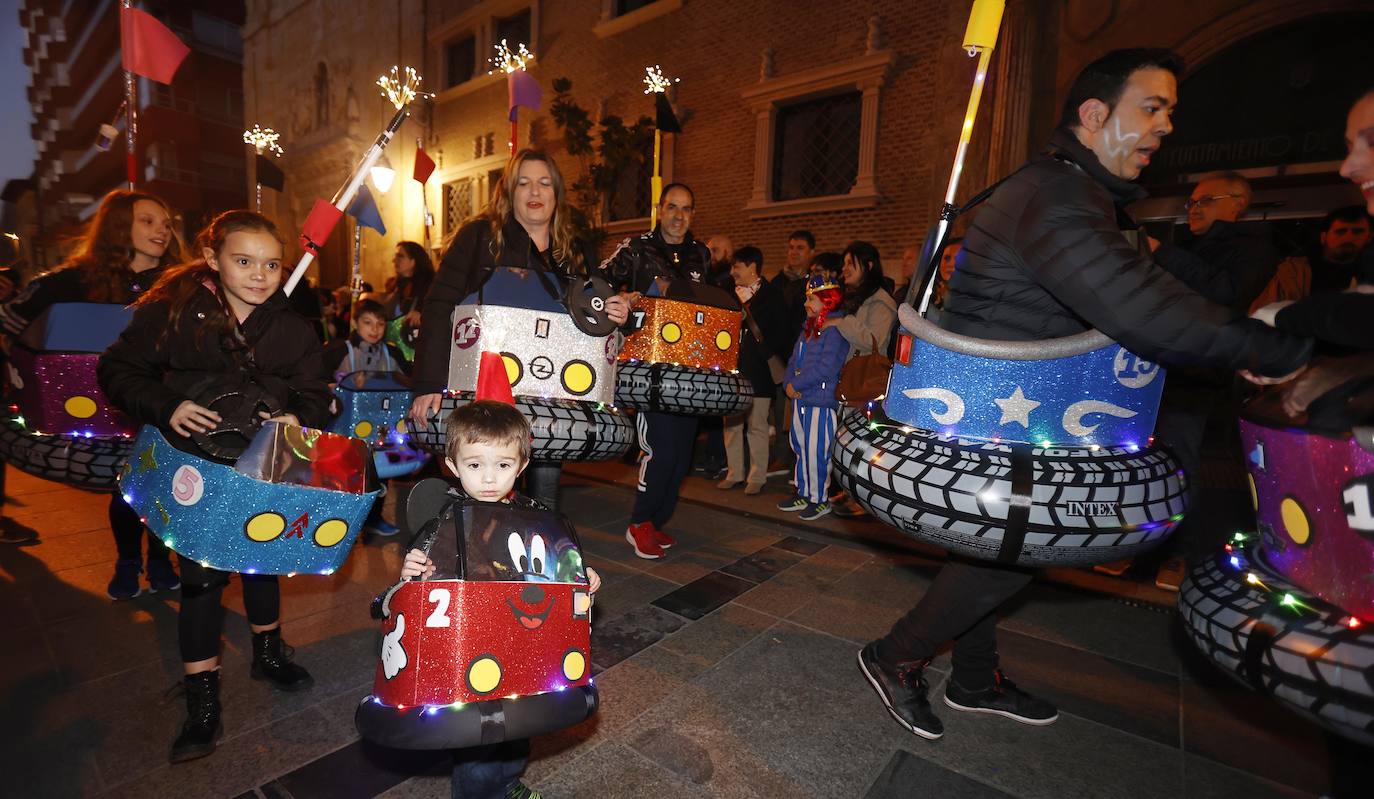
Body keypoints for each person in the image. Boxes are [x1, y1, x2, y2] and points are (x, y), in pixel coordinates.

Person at [858, 48, 1313, 742]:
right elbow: (1145, 307)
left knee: (994, 553)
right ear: (1095, 115)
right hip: (997, 410)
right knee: (1014, 551)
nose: (1164, 127)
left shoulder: (1070, 193)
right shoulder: (1055, 198)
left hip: (1032, 409)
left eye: (1170, 112)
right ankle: (894, 655)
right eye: (1151, 108)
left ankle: (974, 677)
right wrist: (1271, 351)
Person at [98, 210, 327, 763]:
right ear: (212, 258)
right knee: (201, 581)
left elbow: (317, 391)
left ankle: (268, 653)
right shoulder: (170, 314)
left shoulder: (292, 325)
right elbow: (118, 370)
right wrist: (167, 404)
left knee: (265, 559)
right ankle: (202, 701)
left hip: (265, 466)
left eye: (271, 264)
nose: (259, 275)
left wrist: (298, 414)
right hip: (195, 467)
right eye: (244, 261)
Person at [398, 399, 601, 799]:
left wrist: (582, 578)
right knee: (480, 742)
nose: (489, 478)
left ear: (521, 466)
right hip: (469, 646)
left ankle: (507, 783)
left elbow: (556, 565)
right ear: (453, 465)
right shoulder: (443, 520)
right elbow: (410, 599)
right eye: (475, 465)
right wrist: (410, 577)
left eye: (503, 465)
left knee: (520, 728)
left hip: (520, 642)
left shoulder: (531, 515)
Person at [409, 150, 629, 512]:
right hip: (487, 384)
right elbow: (439, 306)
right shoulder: (480, 238)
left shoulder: (575, 251)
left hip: (552, 392)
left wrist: (616, 312)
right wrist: (428, 384)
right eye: (524, 183)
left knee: (545, 490)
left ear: (556, 193)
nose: (534, 192)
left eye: (544, 183)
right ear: (509, 192)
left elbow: (595, 314)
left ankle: (537, 553)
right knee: (488, 479)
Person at [0, 191, 184, 601]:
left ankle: (158, 561)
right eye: (148, 221)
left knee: (163, 489)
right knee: (125, 490)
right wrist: (24, 372)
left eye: (166, 223)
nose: (162, 231)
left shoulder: (183, 282)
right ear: (120, 226)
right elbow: (12, 319)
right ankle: (127, 562)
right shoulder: (75, 279)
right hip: (107, 412)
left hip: (165, 406)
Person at [600, 183, 710, 559]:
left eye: (687, 209)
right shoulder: (636, 248)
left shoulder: (701, 254)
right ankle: (639, 523)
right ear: (660, 210)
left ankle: (657, 522)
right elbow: (598, 281)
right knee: (659, 450)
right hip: (650, 369)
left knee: (681, 455)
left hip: (690, 369)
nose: (679, 216)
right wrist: (624, 297)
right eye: (673, 208)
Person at [324, 298, 412, 537]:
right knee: (344, 475)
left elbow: (410, 381)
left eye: (380, 324)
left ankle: (374, 518)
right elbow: (312, 380)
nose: (374, 330)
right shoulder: (338, 350)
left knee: (380, 473)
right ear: (354, 323)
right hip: (344, 427)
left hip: (382, 427)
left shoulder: (391, 352)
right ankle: (341, 521)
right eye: (367, 323)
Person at [716, 246, 790, 495]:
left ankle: (757, 476)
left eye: (737, 266)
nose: (732, 271)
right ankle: (734, 472)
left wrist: (760, 349)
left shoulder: (772, 296)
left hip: (759, 371)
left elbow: (782, 334)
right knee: (732, 425)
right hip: (731, 372)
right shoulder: (725, 294)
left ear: (752, 267)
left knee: (757, 425)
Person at [776, 277, 850, 520]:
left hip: (820, 400)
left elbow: (827, 368)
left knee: (817, 450)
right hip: (801, 399)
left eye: (811, 299)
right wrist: (788, 384)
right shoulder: (807, 329)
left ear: (826, 301)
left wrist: (796, 384)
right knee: (800, 447)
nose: (806, 303)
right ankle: (804, 491)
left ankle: (819, 498)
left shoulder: (834, 331)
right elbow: (792, 360)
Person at [767, 230, 815, 475]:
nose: (794, 252)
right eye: (791, 247)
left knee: (799, 408)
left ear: (811, 253)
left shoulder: (813, 283)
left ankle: (801, 458)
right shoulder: (778, 282)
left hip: (804, 354)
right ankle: (782, 456)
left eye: (800, 248)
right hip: (780, 354)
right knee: (779, 408)